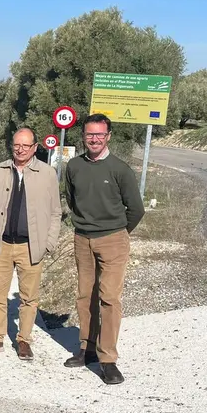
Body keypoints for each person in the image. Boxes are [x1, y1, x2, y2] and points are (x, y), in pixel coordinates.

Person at [63, 113, 145, 384]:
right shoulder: (74, 166)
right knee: (85, 296)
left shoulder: (120, 169)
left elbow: (136, 209)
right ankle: (87, 349)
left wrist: (118, 234)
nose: (94, 139)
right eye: (90, 134)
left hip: (113, 240)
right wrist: (86, 227)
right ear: (83, 137)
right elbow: (72, 201)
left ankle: (108, 358)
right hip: (82, 239)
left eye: (99, 134)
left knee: (109, 297)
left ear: (108, 136)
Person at [0, 127, 62, 360]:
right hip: (0, 244)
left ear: (35, 147)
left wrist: (48, 244)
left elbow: (56, 212)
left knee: (29, 298)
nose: (20, 149)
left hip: (32, 247)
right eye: (16, 145)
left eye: (25, 145)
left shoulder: (47, 173)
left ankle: (24, 340)